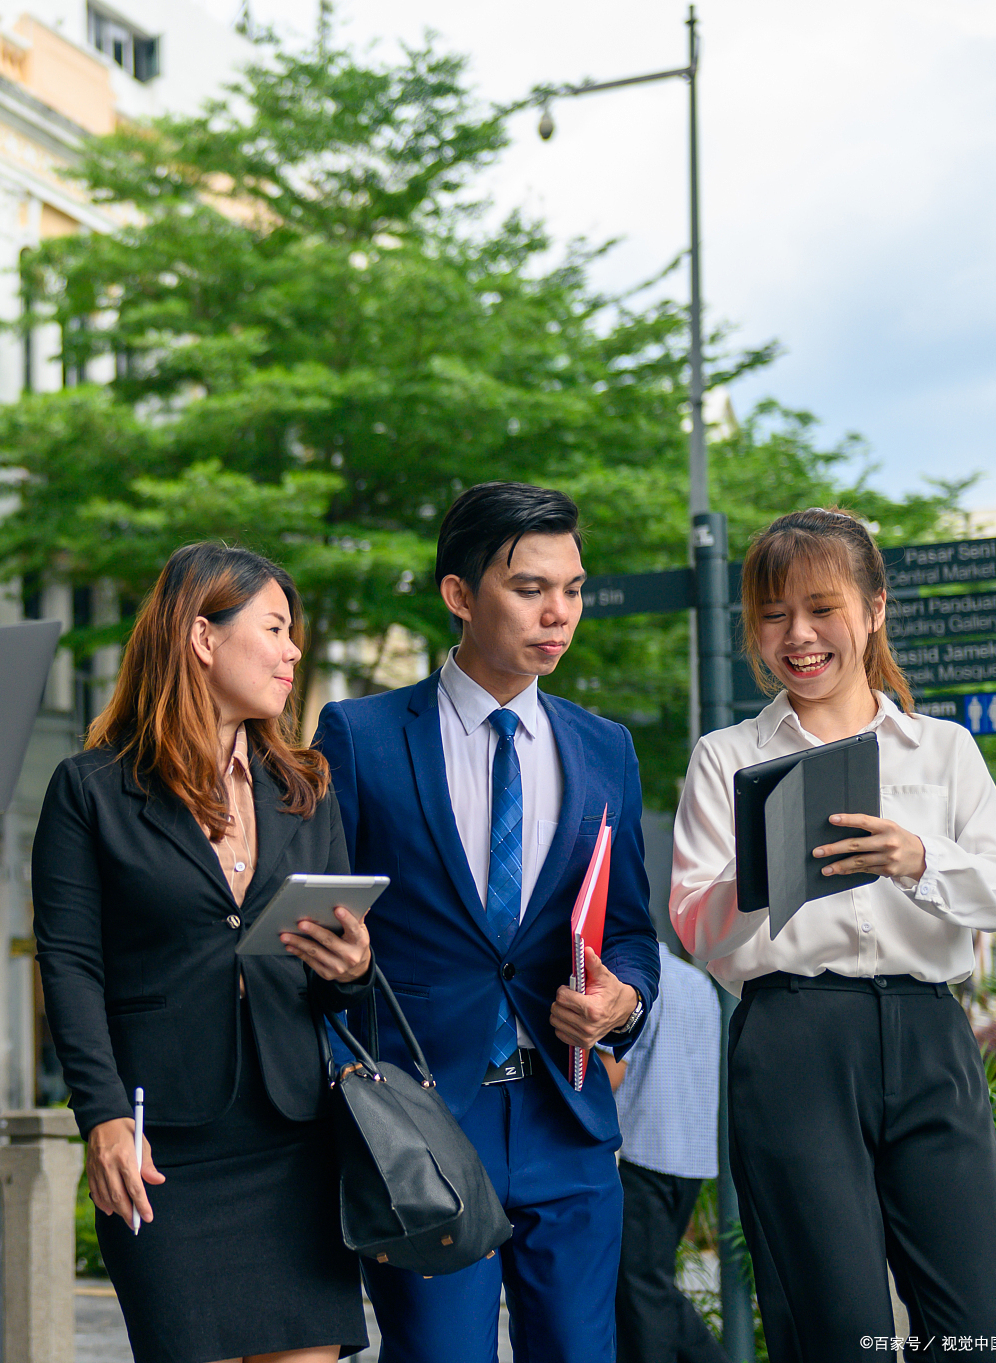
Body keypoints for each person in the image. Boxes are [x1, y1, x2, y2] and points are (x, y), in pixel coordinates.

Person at [312, 481, 660, 1363]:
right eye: (530, 587)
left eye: (573, 589)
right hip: (421, 1121)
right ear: (460, 596)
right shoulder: (360, 734)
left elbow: (628, 928)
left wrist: (622, 1000)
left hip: (565, 1119)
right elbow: (319, 926)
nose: (559, 613)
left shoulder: (604, 747)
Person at [670, 507, 996, 1360]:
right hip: (795, 1037)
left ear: (873, 609)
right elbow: (696, 926)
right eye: (774, 613)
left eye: (822, 607)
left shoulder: (942, 749)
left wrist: (918, 856)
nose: (799, 635)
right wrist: (769, 867)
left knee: (981, 1327)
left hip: (931, 1033)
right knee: (838, 1331)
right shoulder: (728, 756)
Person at [33, 541, 376, 1363]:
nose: (294, 650)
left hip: (295, 1135)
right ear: (201, 636)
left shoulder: (306, 788)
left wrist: (352, 967)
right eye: (275, 627)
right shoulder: (91, 791)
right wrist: (104, 1116)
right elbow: (70, 965)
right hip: (164, 1148)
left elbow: (332, 982)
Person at [609, 943, 726, 1363]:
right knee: (649, 1282)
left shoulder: (626, 984)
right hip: (690, 1158)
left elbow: (611, 1076)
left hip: (642, 1152)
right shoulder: (698, 982)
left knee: (639, 1288)